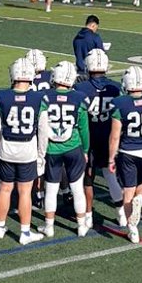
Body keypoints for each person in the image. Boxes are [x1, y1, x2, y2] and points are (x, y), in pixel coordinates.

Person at [0, 57, 49, 244]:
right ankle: (24, 232)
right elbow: (43, 130)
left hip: (6, 148)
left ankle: (0, 227)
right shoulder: (39, 98)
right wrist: (41, 155)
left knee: (4, 188)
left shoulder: (0, 96)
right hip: (27, 149)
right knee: (25, 192)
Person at [108, 67, 142, 244]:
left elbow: (115, 135)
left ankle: (133, 230)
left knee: (127, 192)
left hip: (127, 151)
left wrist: (111, 157)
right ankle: (140, 199)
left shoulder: (120, 103)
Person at [75, 48, 122, 231]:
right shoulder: (115, 87)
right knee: (110, 175)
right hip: (109, 137)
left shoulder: (81, 88)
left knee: (87, 179)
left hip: (88, 138)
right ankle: (121, 214)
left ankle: (88, 216)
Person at [41, 61, 90, 237]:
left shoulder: (45, 97)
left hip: (52, 149)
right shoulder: (80, 97)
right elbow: (84, 128)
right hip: (74, 147)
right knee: (77, 188)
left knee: (52, 188)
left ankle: (49, 227)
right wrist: (85, 149)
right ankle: (81, 225)